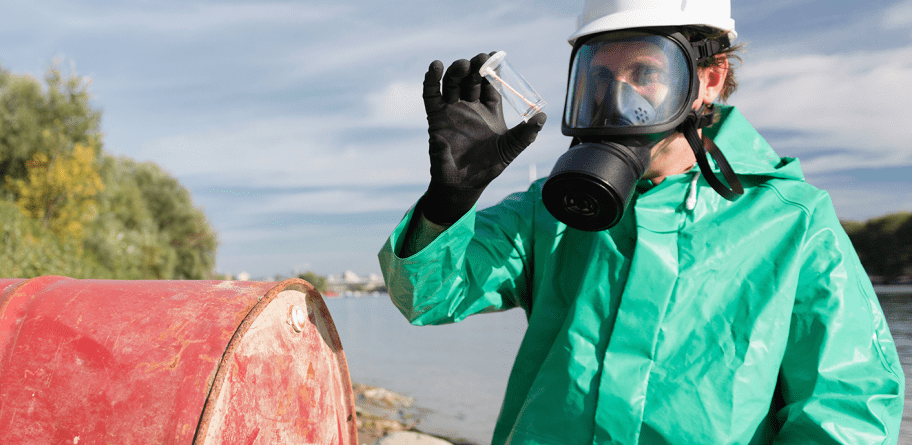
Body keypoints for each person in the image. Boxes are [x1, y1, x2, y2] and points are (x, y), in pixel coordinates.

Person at [377, 0, 905, 443]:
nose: (617, 98)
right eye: (600, 77)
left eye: (646, 73)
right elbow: (425, 297)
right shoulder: (550, 210)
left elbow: (848, 411)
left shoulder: (791, 221)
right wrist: (450, 201)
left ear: (709, 78)